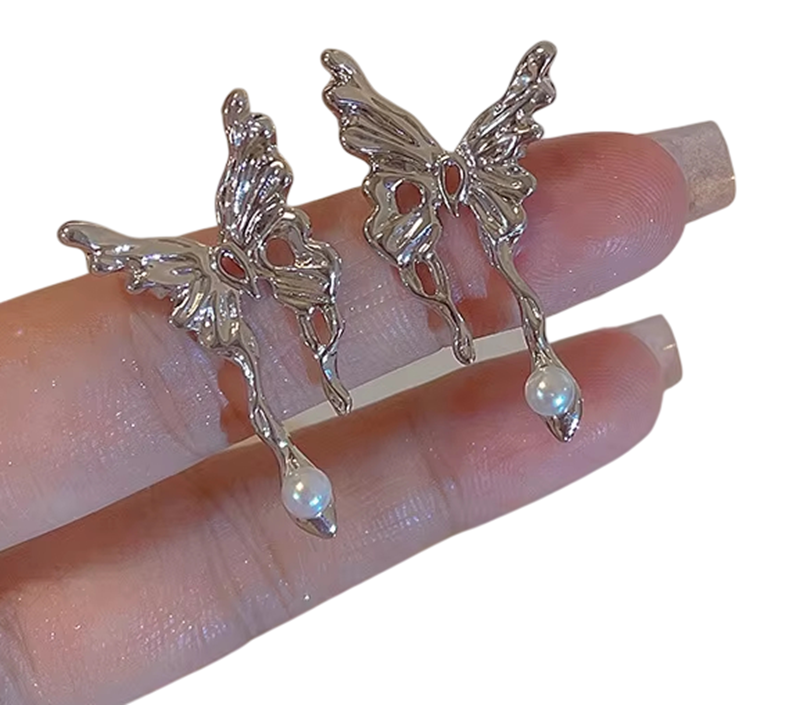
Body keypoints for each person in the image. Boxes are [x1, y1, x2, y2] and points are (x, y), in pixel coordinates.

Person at [0, 125, 734, 704]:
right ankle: (333, 404)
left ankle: (385, 371)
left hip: (317, 253)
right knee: (260, 373)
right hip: (276, 274)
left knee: (491, 281)